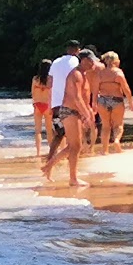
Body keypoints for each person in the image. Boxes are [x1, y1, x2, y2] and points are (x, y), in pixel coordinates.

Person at [42, 51, 96, 187]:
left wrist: (88, 111)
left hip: (76, 112)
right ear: (83, 60)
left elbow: (85, 96)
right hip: (69, 111)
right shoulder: (76, 74)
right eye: (91, 60)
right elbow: (76, 97)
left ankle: (49, 166)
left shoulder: (84, 74)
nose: (93, 63)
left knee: (75, 145)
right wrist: (87, 115)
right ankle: (73, 178)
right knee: (75, 146)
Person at [41, 41, 83, 173]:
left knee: (59, 135)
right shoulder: (76, 62)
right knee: (75, 141)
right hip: (71, 103)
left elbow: (49, 84)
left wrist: (50, 104)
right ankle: (61, 168)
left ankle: (50, 160)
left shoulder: (56, 62)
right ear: (78, 50)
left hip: (56, 105)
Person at [93, 51, 133, 155]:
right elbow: (126, 89)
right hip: (116, 100)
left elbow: (95, 91)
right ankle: (116, 141)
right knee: (118, 125)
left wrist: (94, 103)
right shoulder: (118, 73)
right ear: (116, 61)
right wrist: (131, 102)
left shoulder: (100, 74)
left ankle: (105, 150)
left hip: (102, 100)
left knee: (105, 126)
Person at [30, 60, 54, 158]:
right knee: (49, 130)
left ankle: (38, 152)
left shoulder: (35, 79)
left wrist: (34, 103)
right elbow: (52, 94)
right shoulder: (51, 79)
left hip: (38, 104)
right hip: (47, 105)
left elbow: (32, 93)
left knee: (38, 131)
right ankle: (51, 151)